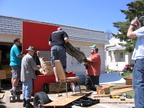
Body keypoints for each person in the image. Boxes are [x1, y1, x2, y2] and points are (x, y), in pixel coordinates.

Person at [127, 17, 144, 108]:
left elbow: (129, 34)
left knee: (139, 84)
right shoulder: (142, 30)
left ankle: (140, 106)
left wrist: (132, 24)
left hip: (141, 60)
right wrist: (139, 27)